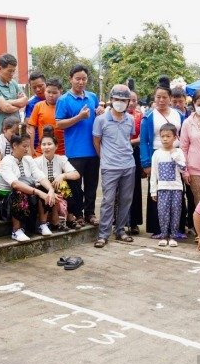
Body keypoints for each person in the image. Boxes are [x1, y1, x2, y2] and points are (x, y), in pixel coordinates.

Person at [55, 64, 103, 226]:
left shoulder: (92, 97)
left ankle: (90, 213)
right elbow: (59, 124)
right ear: (70, 79)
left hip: (93, 149)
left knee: (92, 185)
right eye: (77, 79)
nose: (81, 82)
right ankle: (78, 214)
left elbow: (98, 117)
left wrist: (100, 113)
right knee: (75, 186)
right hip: (75, 151)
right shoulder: (63, 100)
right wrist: (79, 117)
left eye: (84, 79)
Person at [92, 84, 136, 248]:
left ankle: (121, 230)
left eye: (123, 100)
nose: (120, 102)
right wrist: (103, 157)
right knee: (108, 200)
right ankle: (103, 234)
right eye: (117, 99)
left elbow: (128, 139)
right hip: (109, 166)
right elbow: (97, 141)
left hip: (128, 165)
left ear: (128, 102)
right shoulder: (101, 119)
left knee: (125, 200)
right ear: (111, 100)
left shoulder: (130, 119)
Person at [140, 84, 185, 235]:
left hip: (176, 155)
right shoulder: (148, 116)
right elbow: (144, 141)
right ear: (154, 98)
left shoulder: (179, 115)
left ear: (170, 98)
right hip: (157, 155)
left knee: (177, 190)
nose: (161, 100)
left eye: (164, 97)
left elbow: (184, 137)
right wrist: (146, 163)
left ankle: (177, 228)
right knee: (157, 191)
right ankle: (157, 228)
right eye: (158, 97)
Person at [0, 134, 57, 241]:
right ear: (14, 145)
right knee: (19, 191)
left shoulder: (28, 159)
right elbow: (15, 184)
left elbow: (40, 176)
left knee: (44, 188)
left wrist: (51, 190)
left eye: (28, 146)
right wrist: (37, 192)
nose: (27, 149)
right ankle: (16, 230)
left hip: (28, 198)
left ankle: (42, 224)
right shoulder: (6, 161)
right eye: (24, 146)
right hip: (6, 202)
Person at [34, 130, 80, 231]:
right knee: (43, 188)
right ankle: (54, 221)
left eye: (49, 144)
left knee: (70, 182)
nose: (46, 147)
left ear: (56, 146)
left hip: (59, 189)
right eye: (43, 144)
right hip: (43, 190)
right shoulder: (36, 162)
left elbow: (76, 174)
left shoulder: (61, 159)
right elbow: (36, 182)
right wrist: (51, 190)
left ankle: (70, 217)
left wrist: (62, 175)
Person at [150, 122, 187, 247]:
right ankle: (164, 234)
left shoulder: (179, 152)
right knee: (163, 212)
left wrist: (176, 158)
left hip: (176, 188)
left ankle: (173, 236)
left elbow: (183, 169)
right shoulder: (157, 154)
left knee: (176, 212)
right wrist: (153, 191)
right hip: (162, 188)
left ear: (175, 137)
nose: (165, 139)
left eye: (168, 136)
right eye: (163, 136)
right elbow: (154, 173)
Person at [0, 53, 27, 135]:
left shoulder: (13, 83)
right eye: (9, 71)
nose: (12, 74)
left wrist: (8, 102)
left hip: (17, 130)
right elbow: (6, 108)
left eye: (13, 71)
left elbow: (25, 100)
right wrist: (19, 104)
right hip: (3, 132)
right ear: (0, 68)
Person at [27, 77, 64, 155]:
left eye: (54, 93)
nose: (51, 95)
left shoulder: (65, 106)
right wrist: (31, 149)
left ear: (60, 92)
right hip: (42, 152)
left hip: (63, 153)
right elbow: (31, 128)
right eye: (48, 92)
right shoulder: (38, 106)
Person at [128, 89, 144, 234]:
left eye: (134, 100)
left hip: (135, 152)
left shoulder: (140, 116)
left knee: (135, 188)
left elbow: (143, 137)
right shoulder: (114, 115)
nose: (132, 103)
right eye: (129, 99)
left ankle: (133, 222)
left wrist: (129, 142)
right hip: (118, 154)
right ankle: (118, 221)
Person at [25, 71, 47, 150]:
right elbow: (29, 126)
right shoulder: (31, 104)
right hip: (37, 144)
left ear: (46, 83)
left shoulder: (58, 100)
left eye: (40, 86)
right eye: (34, 87)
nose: (38, 89)